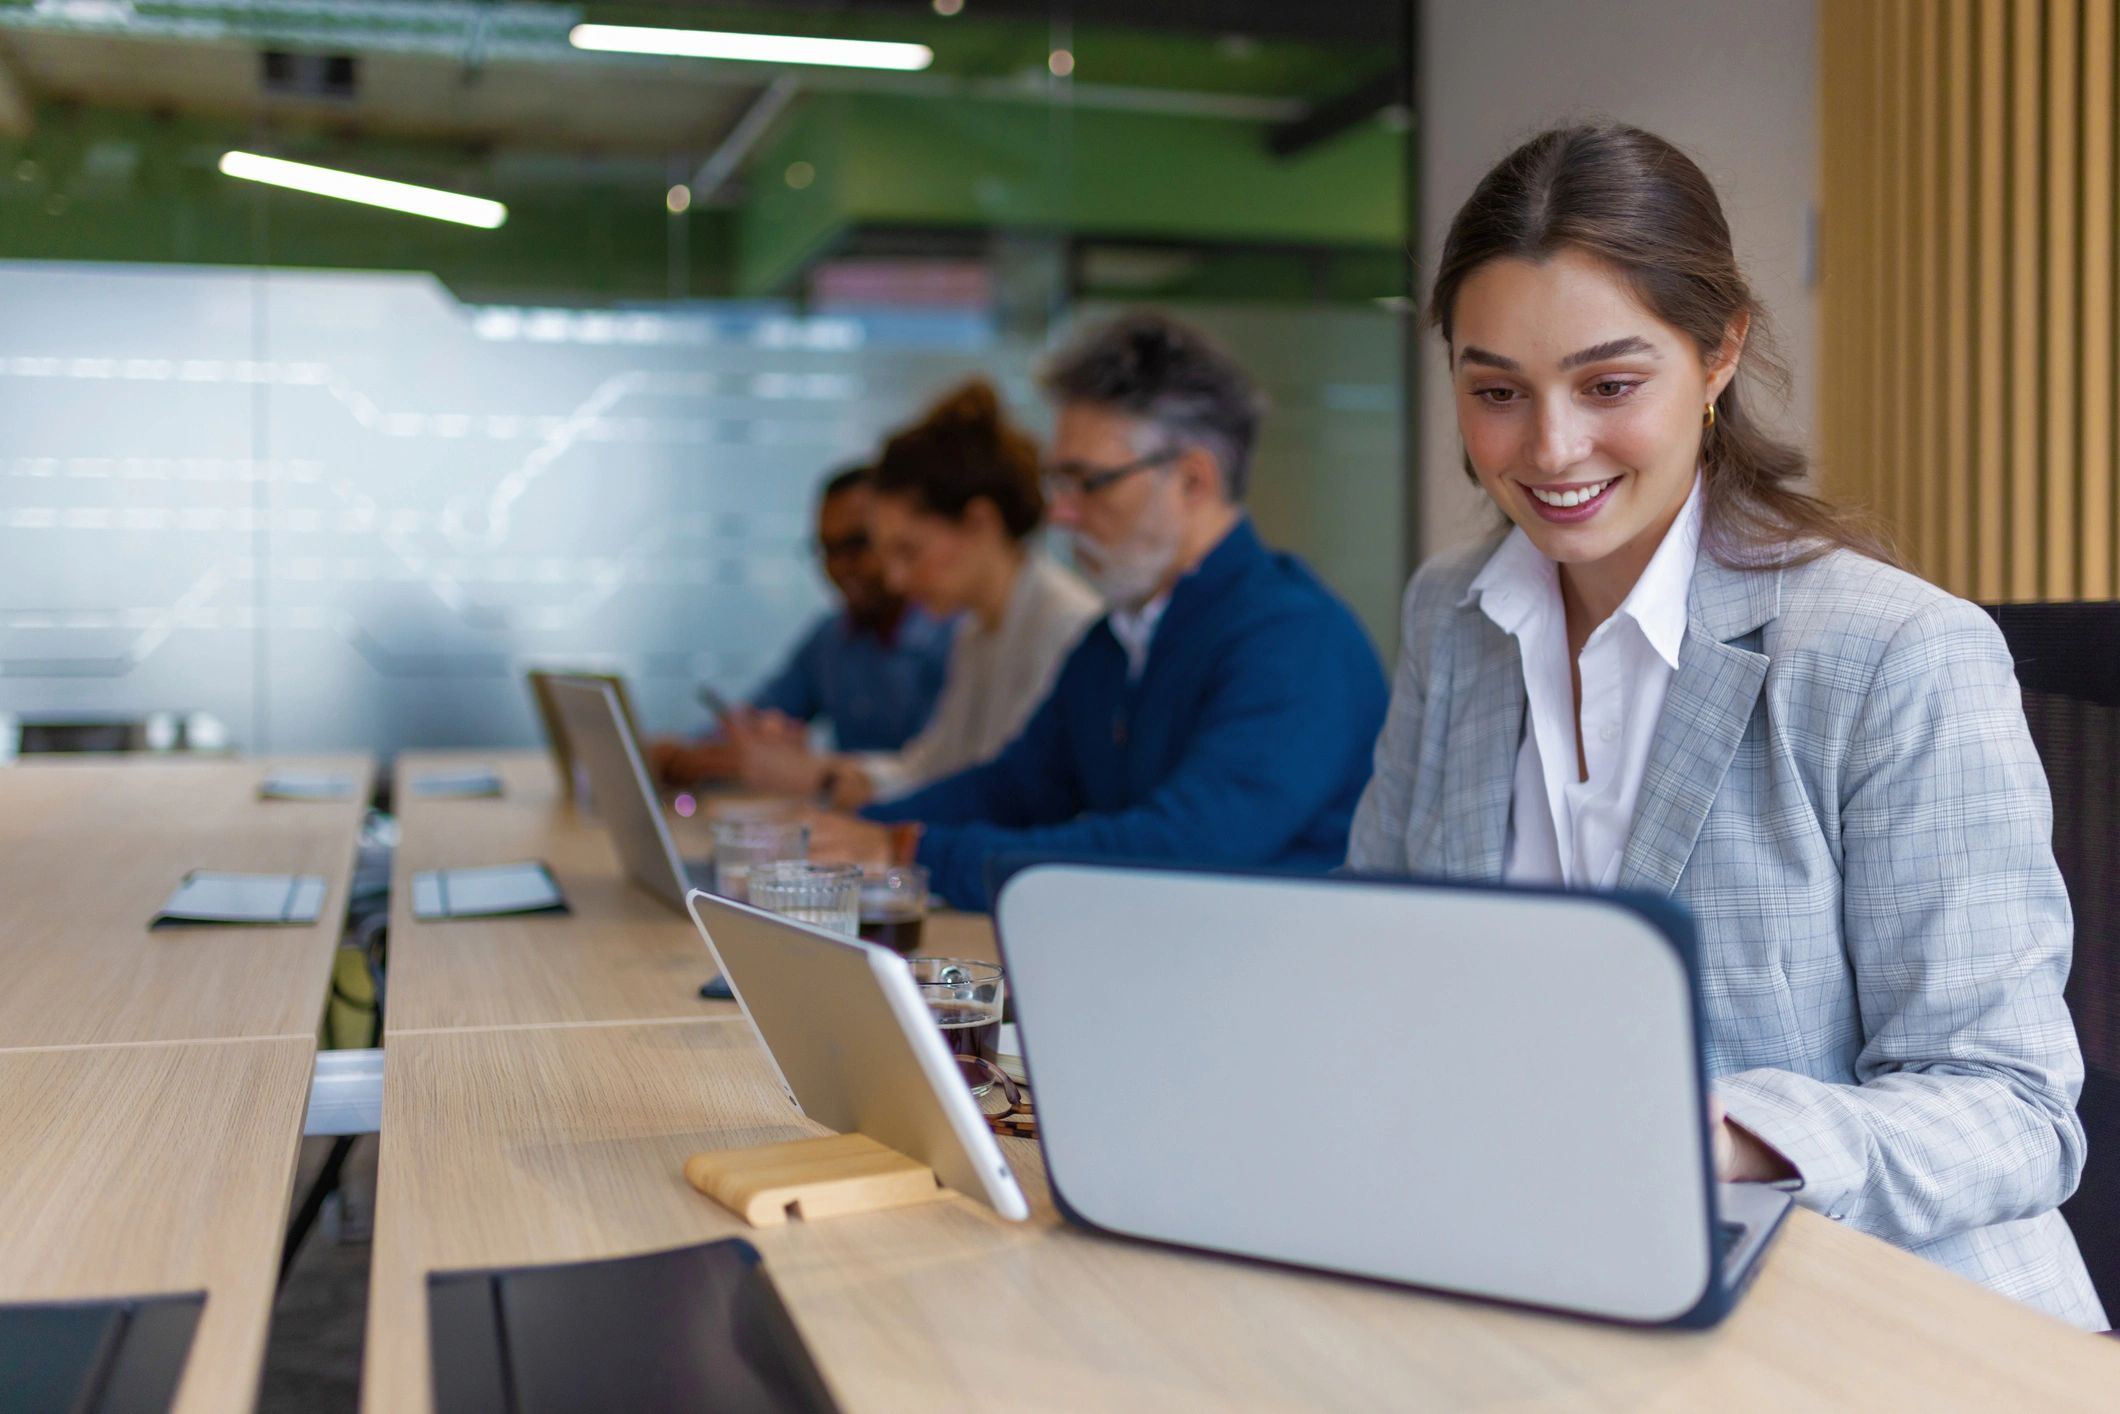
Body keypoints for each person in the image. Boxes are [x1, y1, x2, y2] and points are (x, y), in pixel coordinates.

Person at [1347, 123, 2104, 1329]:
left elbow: (2010, 1109)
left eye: (1607, 385)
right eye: (1495, 392)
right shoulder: (1453, 614)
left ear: (1717, 354)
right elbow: (1376, 958)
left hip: (1879, 1322)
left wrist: (1727, 1134)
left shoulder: (1890, 652)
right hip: (1549, 1270)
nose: (1549, 448)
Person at [805, 311, 1389, 912]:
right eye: (1059, 484)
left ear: (1192, 481)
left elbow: (1177, 851)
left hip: (1273, 962)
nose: (1060, 513)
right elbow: (1016, 787)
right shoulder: (1113, 641)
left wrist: (910, 850)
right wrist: (857, 831)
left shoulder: (1293, 640)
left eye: (1088, 482)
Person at [729, 379, 1100, 809]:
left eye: (909, 551)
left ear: (979, 523)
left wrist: (833, 784)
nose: (897, 581)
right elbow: (933, 768)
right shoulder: (979, 629)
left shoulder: (1064, 627)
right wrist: (830, 776)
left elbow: (1003, 797)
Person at [649, 465, 952, 785]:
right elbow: (758, 715)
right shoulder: (831, 638)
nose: (840, 567)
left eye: (857, 545)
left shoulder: (951, 637)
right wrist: (686, 754)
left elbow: (935, 770)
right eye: (828, 550)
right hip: (845, 814)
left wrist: (805, 768)